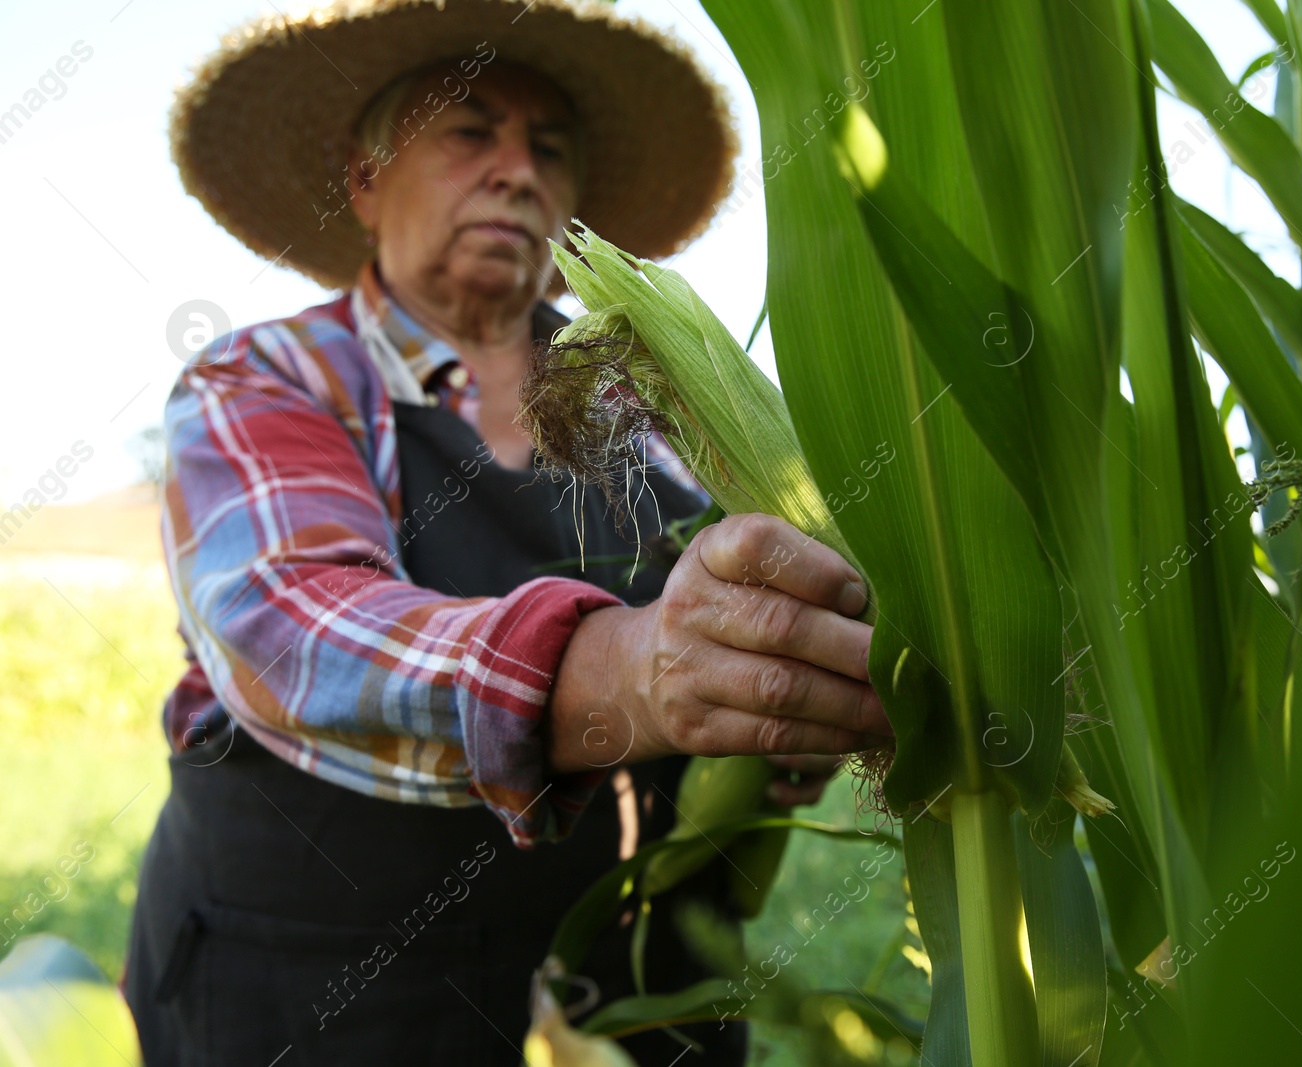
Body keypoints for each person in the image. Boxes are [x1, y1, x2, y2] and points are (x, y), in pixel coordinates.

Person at [122, 2, 890, 1063]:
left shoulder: (665, 408)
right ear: (364, 177)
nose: (517, 170)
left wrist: (784, 687)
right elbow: (292, 631)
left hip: (637, 1000)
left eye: (552, 149)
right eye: (469, 131)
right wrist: (638, 669)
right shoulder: (268, 379)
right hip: (320, 1001)